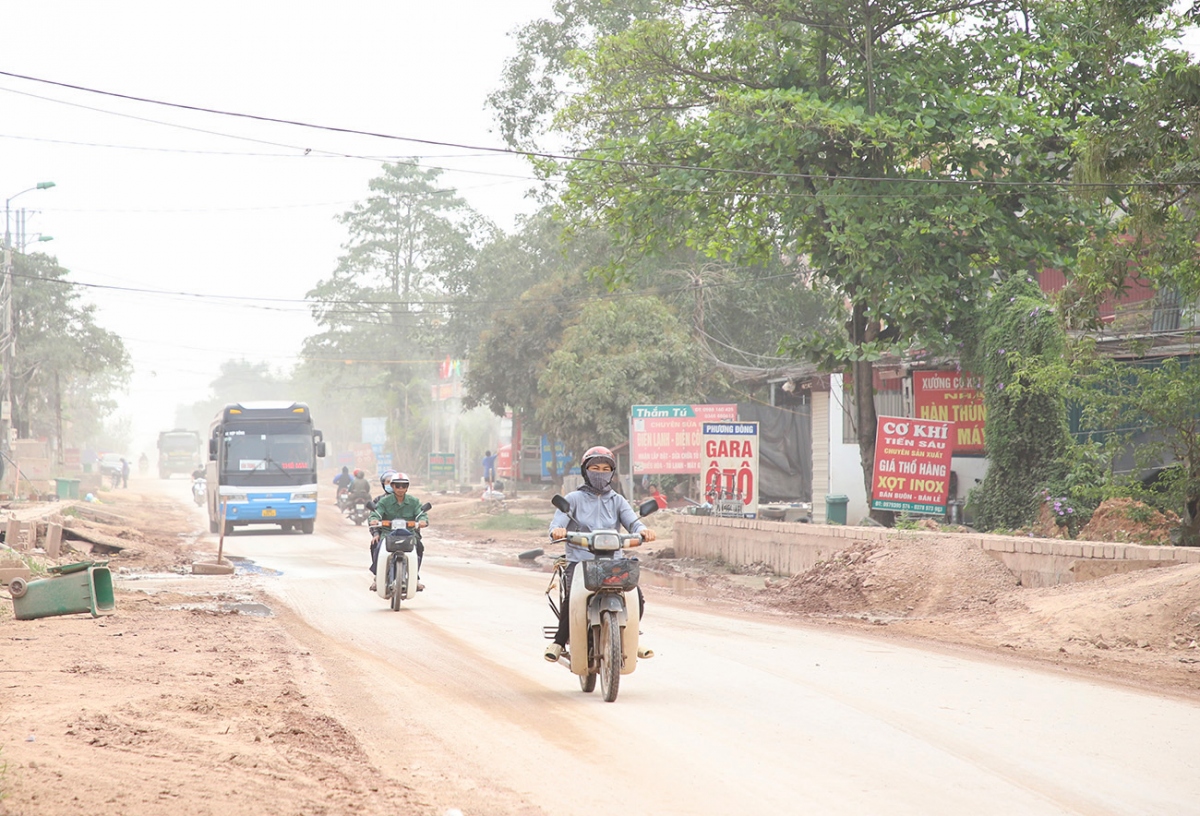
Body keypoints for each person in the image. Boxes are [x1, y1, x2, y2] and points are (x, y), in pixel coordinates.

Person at [545, 445, 656, 662]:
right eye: (595, 467)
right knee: (572, 598)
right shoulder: (574, 499)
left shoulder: (618, 500)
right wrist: (558, 531)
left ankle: (632, 636)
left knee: (636, 596)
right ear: (585, 471)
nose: (600, 473)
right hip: (580, 561)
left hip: (612, 561)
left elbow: (633, 522)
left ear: (612, 473)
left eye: (606, 469)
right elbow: (556, 526)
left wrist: (643, 531)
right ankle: (559, 642)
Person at [367, 472, 429, 593]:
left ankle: (414, 577)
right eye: (398, 486)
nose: (401, 489)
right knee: (378, 547)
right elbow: (376, 513)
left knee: (419, 547)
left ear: (407, 487)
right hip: (388, 534)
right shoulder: (384, 501)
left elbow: (421, 514)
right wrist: (374, 520)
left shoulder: (414, 501)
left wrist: (422, 521)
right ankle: (378, 577)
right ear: (393, 486)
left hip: (409, 534)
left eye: (403, 486)